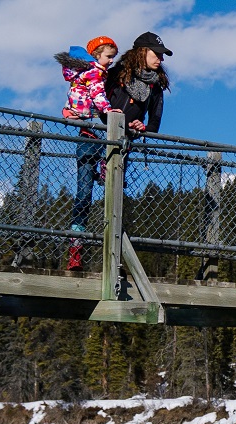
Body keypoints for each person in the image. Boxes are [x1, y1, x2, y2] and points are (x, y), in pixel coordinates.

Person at [55, 35, 118, 270]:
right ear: (96, 55)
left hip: (86, 131)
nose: (111, 61)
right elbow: (98, 96)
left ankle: (75, 248)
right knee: (92, 185)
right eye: (109, 56)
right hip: (94, 128)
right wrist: (112, 112)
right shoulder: (94, 72)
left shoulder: (83, 73)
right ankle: (102, 168)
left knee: (83, 191)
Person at [105, 31, 171, 134]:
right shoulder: (115, 74)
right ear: (142, 52)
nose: (161, 59)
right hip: (95, 134)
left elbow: (154, 125)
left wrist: (142, 127)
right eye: (157, 53)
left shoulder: (156, 86)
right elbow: (91, 101)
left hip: (124, 142)